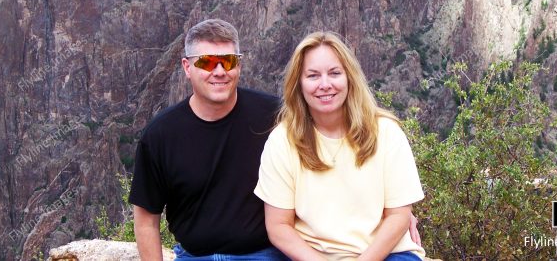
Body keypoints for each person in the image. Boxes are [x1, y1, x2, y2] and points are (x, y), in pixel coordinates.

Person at [130, 19, 420, 260]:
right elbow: (145, 217)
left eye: (228, 61)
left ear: (239, 65)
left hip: (263, 254)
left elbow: (383, 197)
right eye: (206, 62)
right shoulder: (161, 135)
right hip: (198, 255)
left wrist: (397, 212)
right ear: (187, 67)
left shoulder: (274, 117)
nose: (219, 70)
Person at [254, 31, 426, 260]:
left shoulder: (386, 133)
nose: (325, 85)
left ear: (349, 78)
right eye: (313, 76)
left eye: (334, 73)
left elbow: (398, 216)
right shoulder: (283, 141)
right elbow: (278, 226)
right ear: (299, 84)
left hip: (385, 254)